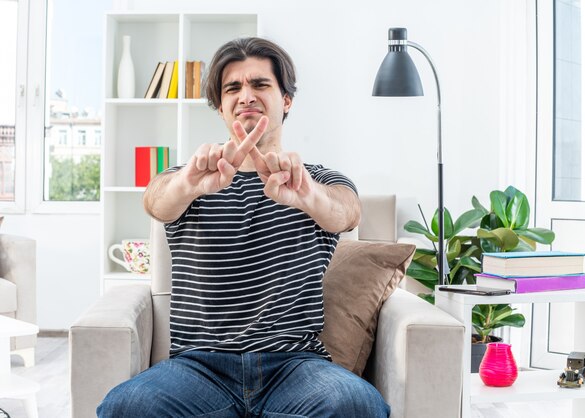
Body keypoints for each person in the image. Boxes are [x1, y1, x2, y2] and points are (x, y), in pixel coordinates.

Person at [97, 37, 390, 418]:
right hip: (198, 368)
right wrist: (189, 183)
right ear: (221, 107)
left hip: (294, 365)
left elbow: (346, 213)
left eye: (260, 84)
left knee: (357, 404)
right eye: (232, 88)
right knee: (125, 406)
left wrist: (305, 195)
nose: (245, 95)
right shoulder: (188, 178)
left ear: (286, 100)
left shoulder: (318, 179)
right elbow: (155, 200)